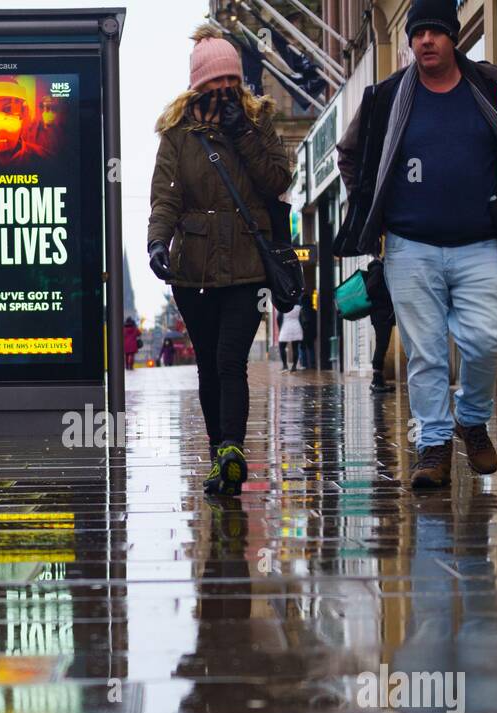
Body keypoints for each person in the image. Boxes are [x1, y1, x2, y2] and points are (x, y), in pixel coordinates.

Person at [334, 0, 497, 490]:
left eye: (436, 31)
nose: (426, 40)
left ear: (454, 39)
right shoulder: (385, 98)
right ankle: (433, 446)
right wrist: (372, 206)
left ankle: (471, 419)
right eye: (418, 32)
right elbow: (350, 156)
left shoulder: (490, 89)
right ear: (409, 40)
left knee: (491, 336)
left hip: (480, 245)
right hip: (409, 246)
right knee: (425, 354)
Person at [147, 23, 292, 496]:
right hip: (193, 269)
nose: (225, 90)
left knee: (231, 359)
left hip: (249, 265)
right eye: (215, 83)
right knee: (209, 364)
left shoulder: (257, 121)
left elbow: (276, 180)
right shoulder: (177, 133)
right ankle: (218, 455)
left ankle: (232, 447)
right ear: (199, 85)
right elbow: (165, 198)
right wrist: (157, 243)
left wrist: (243, 134)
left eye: (231, 80)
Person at [365, 258, 396, 394]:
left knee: (382, 344)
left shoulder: (378, 270)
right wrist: (387, 297)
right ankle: (376, 380)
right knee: (382, 344)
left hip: (382, 314)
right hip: (381, 314)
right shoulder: (378, 270)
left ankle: (378, 380)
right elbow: (371, 290)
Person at [276, 301, 303, 372]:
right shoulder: (298, 305)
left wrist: (279, 328)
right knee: (295, 347)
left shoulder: (283, 305)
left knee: (281, 346)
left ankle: (285, 365)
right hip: (296, 326)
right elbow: (301, 317)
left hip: (285, 327)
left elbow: (278, 318)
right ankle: (294, 366)